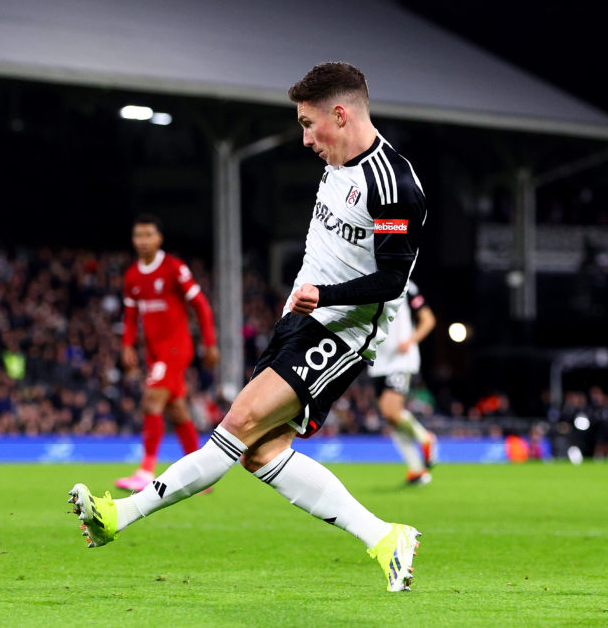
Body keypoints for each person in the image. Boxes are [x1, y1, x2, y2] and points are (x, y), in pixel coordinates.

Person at [69, 62, 427, 592]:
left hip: (343, 332)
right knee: (260, 452)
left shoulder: (394, 186)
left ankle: (118, 516)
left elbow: (394, 278)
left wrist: (324, 296)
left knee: (237, 422)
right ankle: (384, 536)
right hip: (299, 321)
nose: (306, 139)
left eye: (309, 124)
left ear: (341, 113)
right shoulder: (336, 161)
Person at [114, 214, 220, 492]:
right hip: (154, 352)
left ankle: (145, 470)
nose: (143, 241)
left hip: (176, 348)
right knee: (176, 409)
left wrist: (209, 343)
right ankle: (200, 474)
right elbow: (130, 315)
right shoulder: (132, 276)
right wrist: (126, 345)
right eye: (139, 235)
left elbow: (201, 305)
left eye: (149, 235)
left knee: (151, 400)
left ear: (159, 238)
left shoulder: (174, 268)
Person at [368, 280, 438, 485]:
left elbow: (428, 319)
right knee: (391, 418)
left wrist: (411, 340)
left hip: (400, 359)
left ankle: (425, 438)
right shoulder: (365, 282)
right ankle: (416, 470)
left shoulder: (407, 285)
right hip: (377, 360)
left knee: (392, 411)